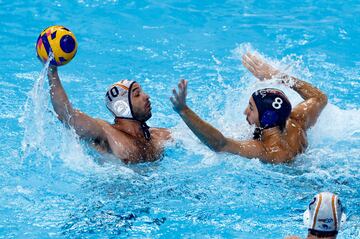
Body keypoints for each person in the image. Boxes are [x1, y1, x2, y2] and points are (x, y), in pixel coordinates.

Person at [170, 52, 328, 163]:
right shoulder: (296, 120)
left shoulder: (268, 151)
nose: (245, 111)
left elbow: (220, 144)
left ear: (267, 118)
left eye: (251, 108)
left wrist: (184, 110)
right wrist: (279, 76)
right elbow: (319, 97)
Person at [47, 66, 170, 163]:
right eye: (137, 94)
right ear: (122, 107)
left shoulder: (157, 136)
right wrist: (52, 72)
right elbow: (67, 115)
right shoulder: (107, 134)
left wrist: (183, 109)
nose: (147, 96)